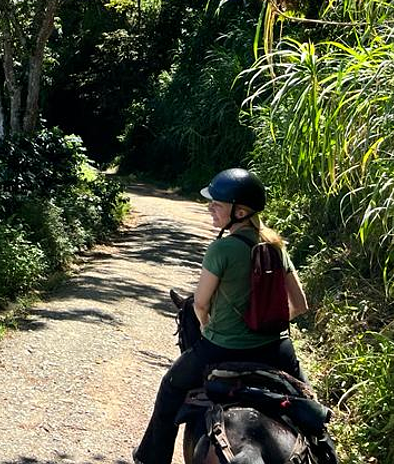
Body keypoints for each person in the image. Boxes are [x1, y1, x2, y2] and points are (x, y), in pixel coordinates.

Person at [133, 167, 310, 464]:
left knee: (170, 390)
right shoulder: (276, 247)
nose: (210, 208)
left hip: (221, 347)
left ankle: (152, 458)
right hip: (275, 350)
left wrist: (209, 329)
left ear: (239, 212)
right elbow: (300, 304)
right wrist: (267, 327)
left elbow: (200, 305)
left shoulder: (222, 249)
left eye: (217, 204)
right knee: (310, 407)